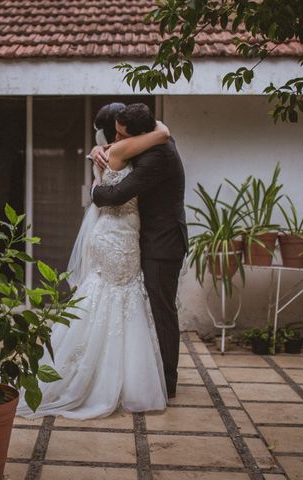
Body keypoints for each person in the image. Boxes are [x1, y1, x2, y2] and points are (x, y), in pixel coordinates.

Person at [16, 103, 171, 419]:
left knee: (111, 297)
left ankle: (109, 371)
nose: (116, 137)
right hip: (118, 235)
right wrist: (157, 130)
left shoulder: (108, 150)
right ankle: (110, 376)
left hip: (115, 233)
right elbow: (164, 134)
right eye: (114, 131)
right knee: (117, 296)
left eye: (121, 132)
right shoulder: (122, 149)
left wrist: (98, 146)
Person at [91, 103, 188, 399]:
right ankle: (154, 373)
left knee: (162, 312)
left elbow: (117, 194)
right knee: (152, 310)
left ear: (140, 133)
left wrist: (93, 190)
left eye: (121, 134)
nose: (117, 140)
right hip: (152, 240)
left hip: (163, 244)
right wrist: (101, 151)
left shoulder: (157, 156)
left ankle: (168, 384)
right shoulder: (155, 138)